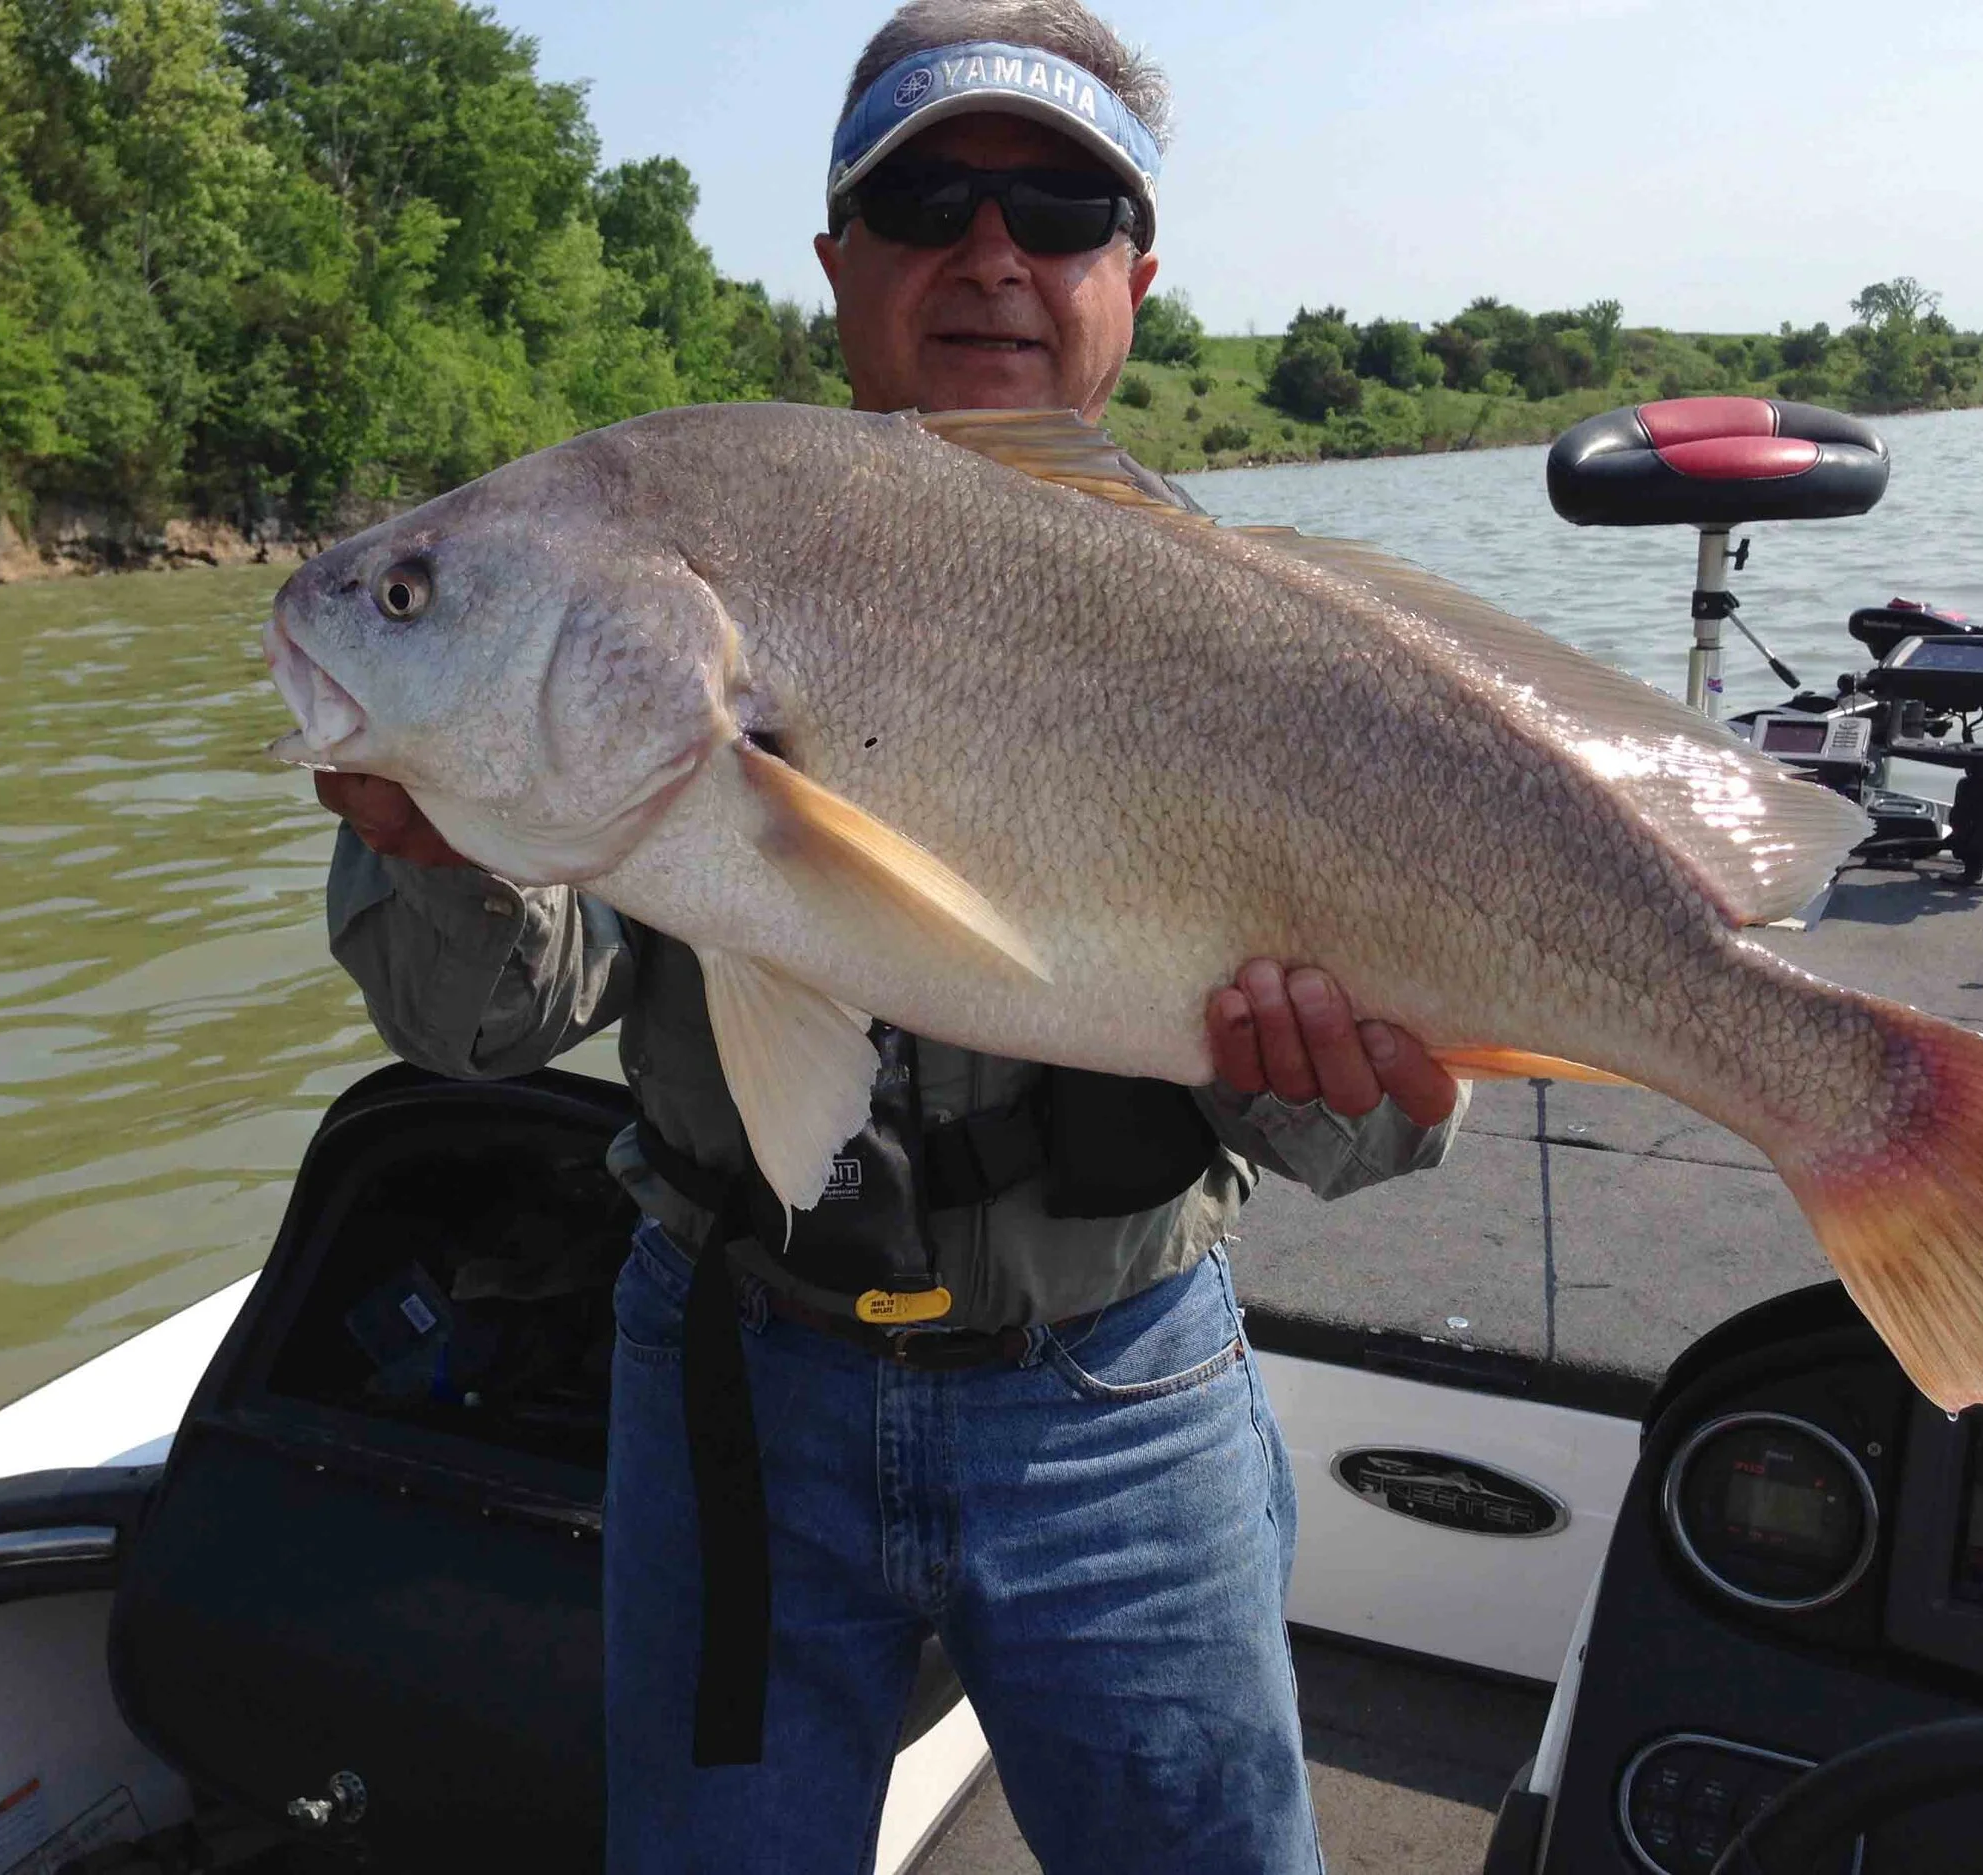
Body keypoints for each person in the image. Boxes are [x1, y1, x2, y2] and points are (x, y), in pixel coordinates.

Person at [317, 4, 1465, 1868]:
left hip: (1124, 1381)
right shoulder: (640, 572)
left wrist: (1342, 1079)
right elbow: (482, 1028)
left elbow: (1388, 1136)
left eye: (1062, 207)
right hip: (732, 1381)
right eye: (928, 195)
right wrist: (447, 846)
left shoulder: (1288, 643)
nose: (993, 251)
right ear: (839, 262)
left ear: (1137, 278)